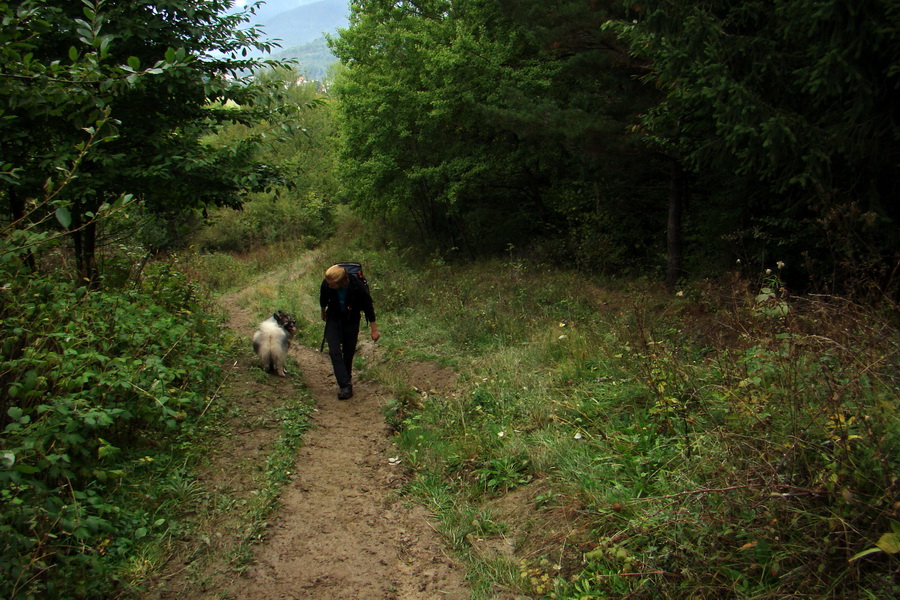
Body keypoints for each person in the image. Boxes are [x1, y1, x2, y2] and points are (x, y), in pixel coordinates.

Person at [320, 264, 379, 399]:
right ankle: (345, 385)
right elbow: (323, 299)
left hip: (351, 319)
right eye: (328, 283)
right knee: (334, 350)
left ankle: (346, 378)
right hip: (333, 318)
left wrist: (374, 329)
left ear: (341, 282)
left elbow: (368, 307)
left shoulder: (357, 287)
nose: (329, 286)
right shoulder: (326, 284)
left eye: (332, 284)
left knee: (348, 351)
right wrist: (323, 313)